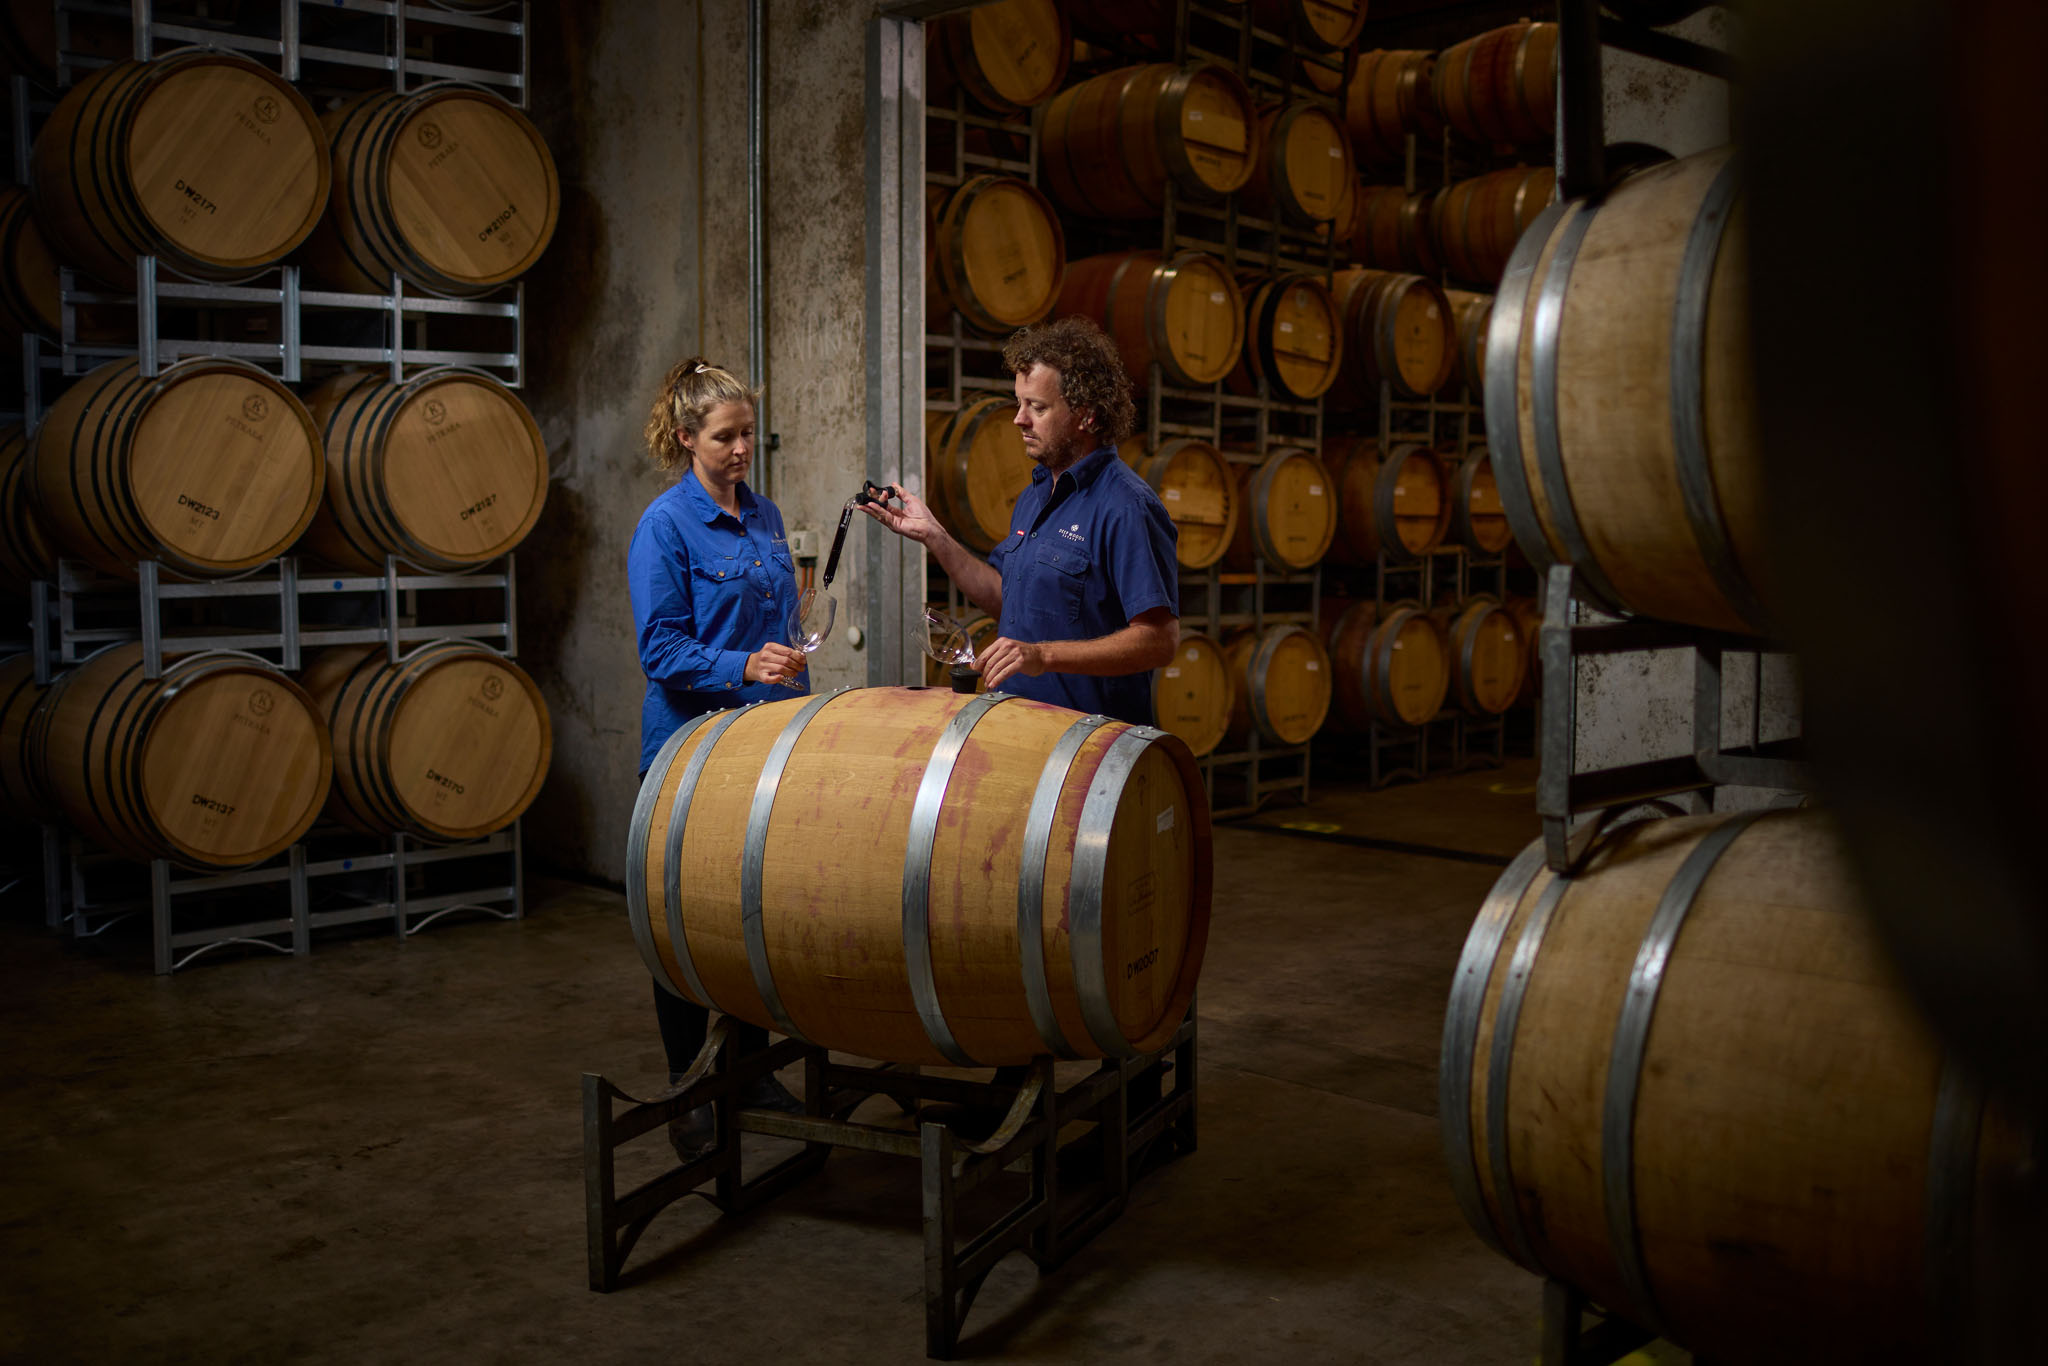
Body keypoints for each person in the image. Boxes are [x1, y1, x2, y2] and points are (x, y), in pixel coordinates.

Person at [629, 356, 807, 1161]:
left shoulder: (765, 516)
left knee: (750, 918)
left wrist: (798, 685)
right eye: (725, 437)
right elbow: (659, 648)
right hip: (690, 752)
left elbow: (786, 623)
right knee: (682, 924)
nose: (741, 450)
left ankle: (749, 1066)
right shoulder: (664, 527)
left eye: (746, 434)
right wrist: (743, 667)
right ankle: (686, 1086)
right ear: (685, 438)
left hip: (762, 749)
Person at [861, 316, 1180, 723]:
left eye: (1038, 407)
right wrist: (935, 536)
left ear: (1086, 415)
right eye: (1019, 403)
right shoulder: (1035, 495)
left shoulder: (1126, 507)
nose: (1019, 419)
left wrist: (1041, 655)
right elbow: (1005, 597)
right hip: (1024, 730)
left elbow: (1159, 640)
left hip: (1090, 741)